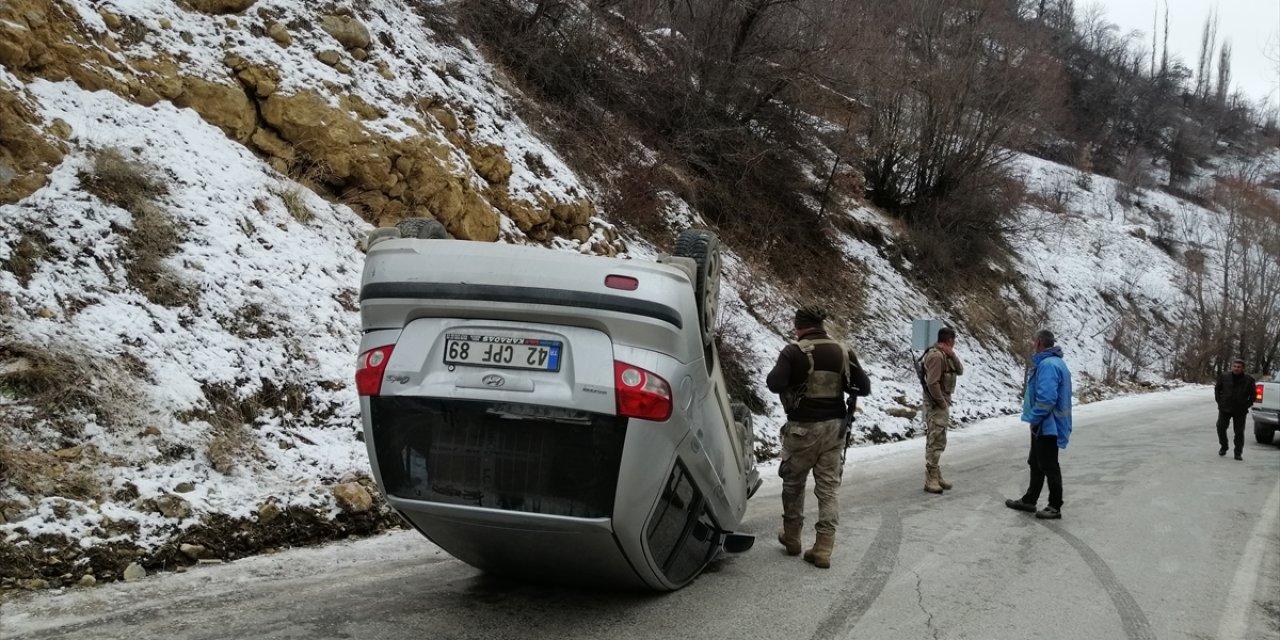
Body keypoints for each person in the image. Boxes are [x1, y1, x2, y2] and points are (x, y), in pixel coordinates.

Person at [766, 304, 871, 569]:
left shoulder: (794, 351)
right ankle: (823, 547)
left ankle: (792, 538)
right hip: (834, 430)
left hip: (802, 430)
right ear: (822, 326)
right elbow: (864, 387)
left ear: (799, 326)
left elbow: (774, 383)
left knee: (793, 484)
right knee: (828, 489)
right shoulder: (843, 352)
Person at [1005, 329, 1072, 520]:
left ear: (1040, 343)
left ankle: (1054, 506)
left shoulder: (1048, 365)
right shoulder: (1054, 362)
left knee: (1049, 465)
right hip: (1046, 424)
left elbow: (1047, 399)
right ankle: (1029, 499)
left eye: (1035, 342)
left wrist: (1035, 418)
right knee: (1036, 462)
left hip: (1047, 424)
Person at [920, 326, 963, 493]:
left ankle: (936, 473)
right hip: (936, 403)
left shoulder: (947, 355)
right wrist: (941, 403)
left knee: (940, 438)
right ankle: (930, 476)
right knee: (935, 439)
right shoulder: (936, 356)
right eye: (953, 341)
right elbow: (932, 383)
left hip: (942, 401)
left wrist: (952, 354)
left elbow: (959, 370)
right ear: (949, 340)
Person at [1214, 359, 1256, 461]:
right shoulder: (1224, 376)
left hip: (1240, 410)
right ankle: (1224, 446)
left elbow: (1253, 395)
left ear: (1243, 368)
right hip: (1225, 407)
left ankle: (1238, 453)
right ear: (1232, 367)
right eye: (1235, 366)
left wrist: (1246, 405)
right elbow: (1217, 389)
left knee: (1239, 432)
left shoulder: (1249, 379)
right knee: (1220, 427)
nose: (1236, 368)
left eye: (1239, 367)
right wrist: (1220, 402)